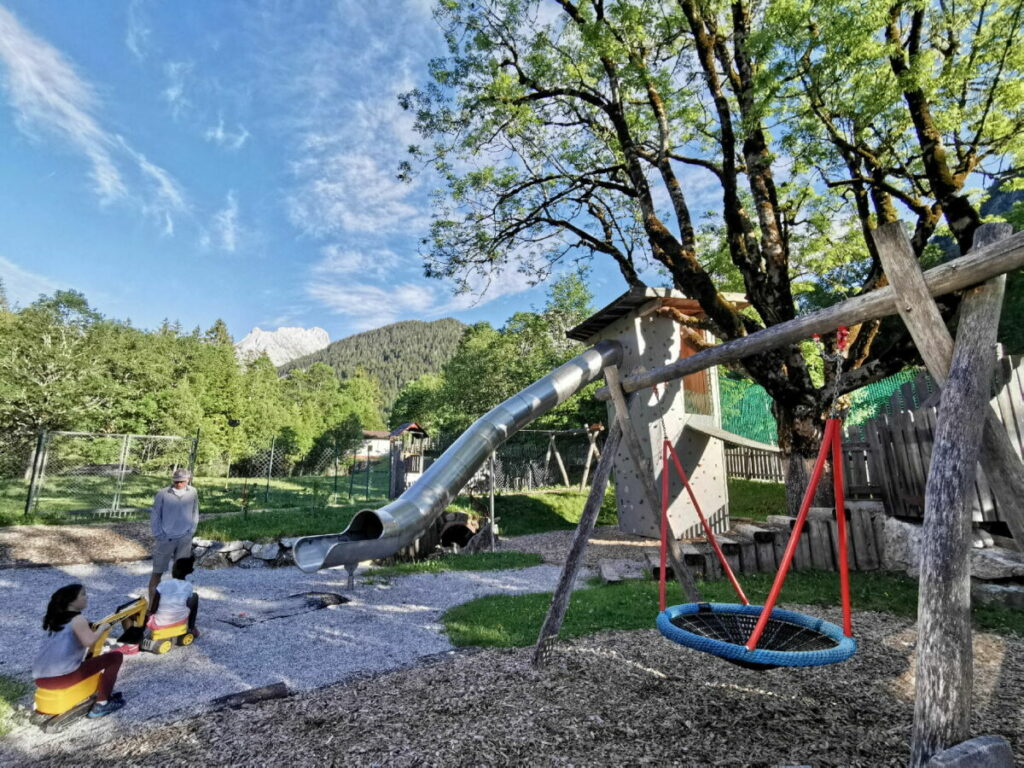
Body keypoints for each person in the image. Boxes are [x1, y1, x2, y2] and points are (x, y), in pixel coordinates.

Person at [32, 584, 126, 719]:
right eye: (83, 594)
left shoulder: (56, 620)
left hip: (40, 678)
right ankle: (102, 703)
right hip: (60, 678)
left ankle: (93, 691)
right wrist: (102, 629)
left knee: (88, 660)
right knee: (115, 657)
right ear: (71, 601)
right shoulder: (78, 619)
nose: (86, 597)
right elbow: (89, 641)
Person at [148, 468, 199, 605]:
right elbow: (155, 514)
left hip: (185, 537)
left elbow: (195, 511)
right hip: (165, 538)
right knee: (157, 572)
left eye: (182, 481)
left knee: (180, 573)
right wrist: (159, 534)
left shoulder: (193, 492)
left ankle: (178, 603)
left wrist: (191, 530)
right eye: (176, 481)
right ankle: (152, 606)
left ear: (188, 480)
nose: (179, 484)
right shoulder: (163, 494)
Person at [148, 557, 200, 638]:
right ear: (189, 572)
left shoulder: (163, 584)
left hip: (159, 623)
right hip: (179, 621)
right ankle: (191, 627)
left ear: (173, 570)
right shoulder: (188, 585)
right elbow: (186, 602)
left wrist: (149, 614)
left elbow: (154, 608)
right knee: (195, 596)